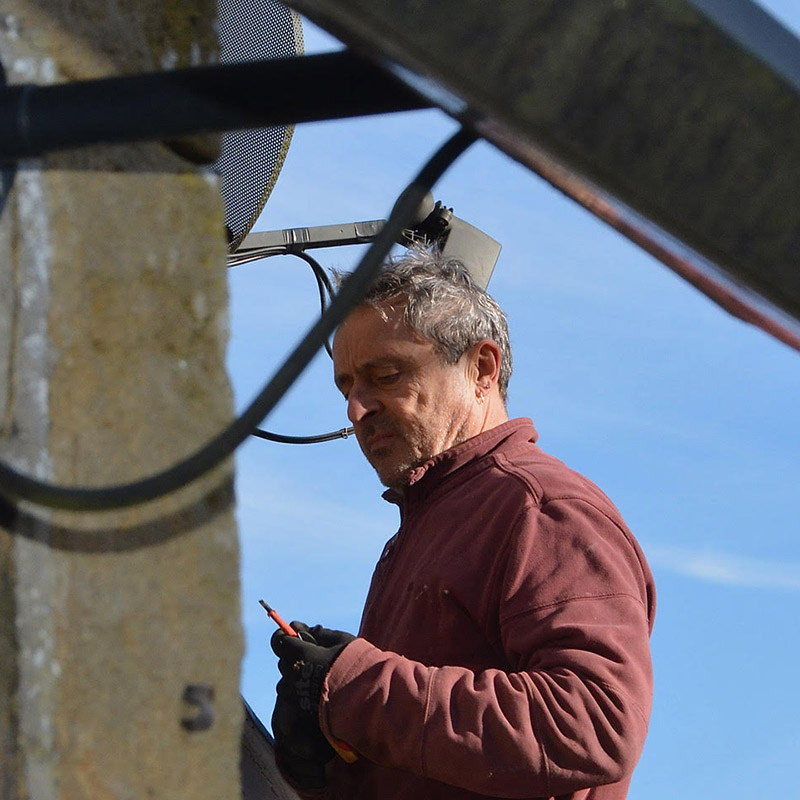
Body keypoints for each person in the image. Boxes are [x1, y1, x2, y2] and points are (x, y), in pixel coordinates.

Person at [270, 250, 655, 800]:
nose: (356, 409)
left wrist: (357, 689)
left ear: (482, 369)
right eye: (347, 387)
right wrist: (325, 759)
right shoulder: (434, 521)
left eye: (386, 376)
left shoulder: (538, 507)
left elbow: (594, 723)